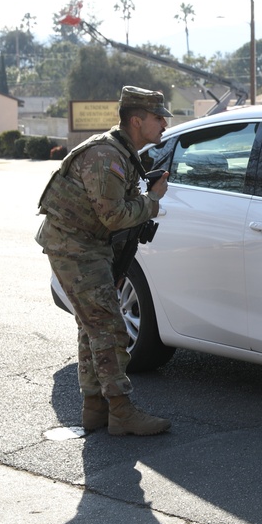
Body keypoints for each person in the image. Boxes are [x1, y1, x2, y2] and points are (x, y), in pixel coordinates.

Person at [36, 86, 172, 436]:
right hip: (74, 246)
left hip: (87, 244)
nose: (164, 124)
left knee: (92, 325)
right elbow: (113, 215)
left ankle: (96, 407)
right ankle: (122, 411)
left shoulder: (123, 153)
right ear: (137, 120)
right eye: (158, 118)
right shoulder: (105, 156)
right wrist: (152, 201)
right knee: (109, 326)